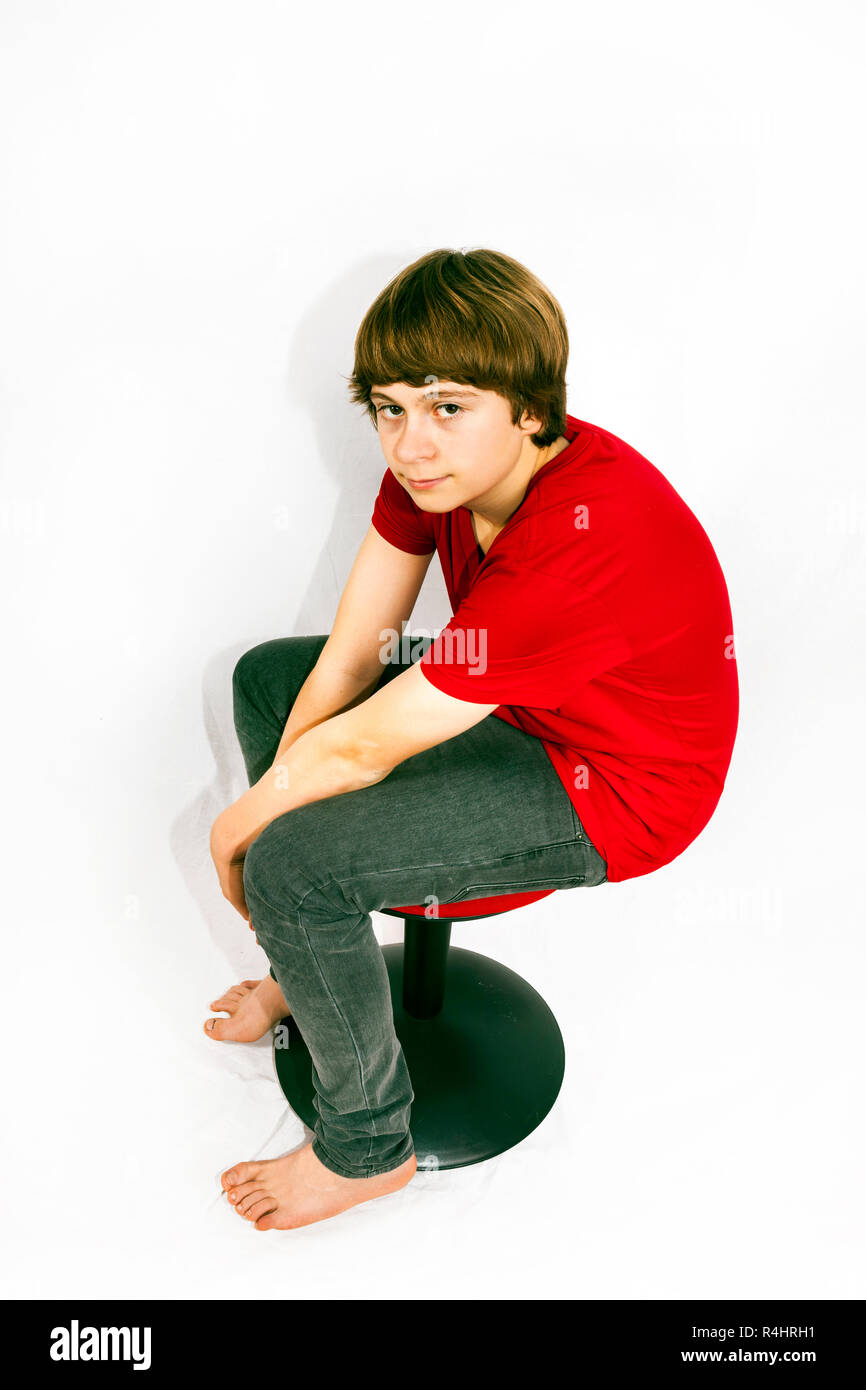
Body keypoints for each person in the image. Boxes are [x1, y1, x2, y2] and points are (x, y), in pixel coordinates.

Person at [205, 246, 739, 1231]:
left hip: (615, 785)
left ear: (530, 408)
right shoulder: (436, 476)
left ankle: (367, 1148)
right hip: (526, 697)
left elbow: (360, 751)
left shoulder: (574, 549)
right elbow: (353, 656)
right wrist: (277, 798)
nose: (411, 443)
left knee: (291, 863)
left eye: (448, 405)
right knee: (270, 681)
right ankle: (310, 969)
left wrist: (232, 833)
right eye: (391, 406)